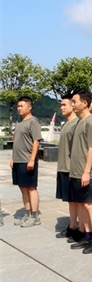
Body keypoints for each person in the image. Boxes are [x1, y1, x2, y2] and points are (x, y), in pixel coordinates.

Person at [68, 90, 92, 254]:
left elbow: (91, 149)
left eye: (74, 101)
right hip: (76, 171)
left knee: (89, 205)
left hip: (85, 172)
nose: (72, 104)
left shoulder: (91, 122)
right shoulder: (80, 122)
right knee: (82, 204)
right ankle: (87, 236)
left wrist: (87, 172)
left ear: (84, 103)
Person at [10, 96, 43, 227]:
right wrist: (13, 158)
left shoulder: (33, 122)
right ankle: (27, 213)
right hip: (18, 160)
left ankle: (35, 216)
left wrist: (32, 160)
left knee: (31, 188)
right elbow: (17, 142)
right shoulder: (19, 121)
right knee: (23, 188)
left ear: (30, 107)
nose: (19, 108)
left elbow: (36, 141)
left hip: (27, 160)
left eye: (22, 106)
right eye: (18, 106)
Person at [55, 95, 80, 239]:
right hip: (63, 167)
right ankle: (72, 225)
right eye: (61, 105)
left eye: (64, 105)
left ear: (73, 105)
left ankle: (79, 228)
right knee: (71, 200)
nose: (61, 107)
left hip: (72, 169)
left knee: (77, 201)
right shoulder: (66, 124)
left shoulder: (77, 124)